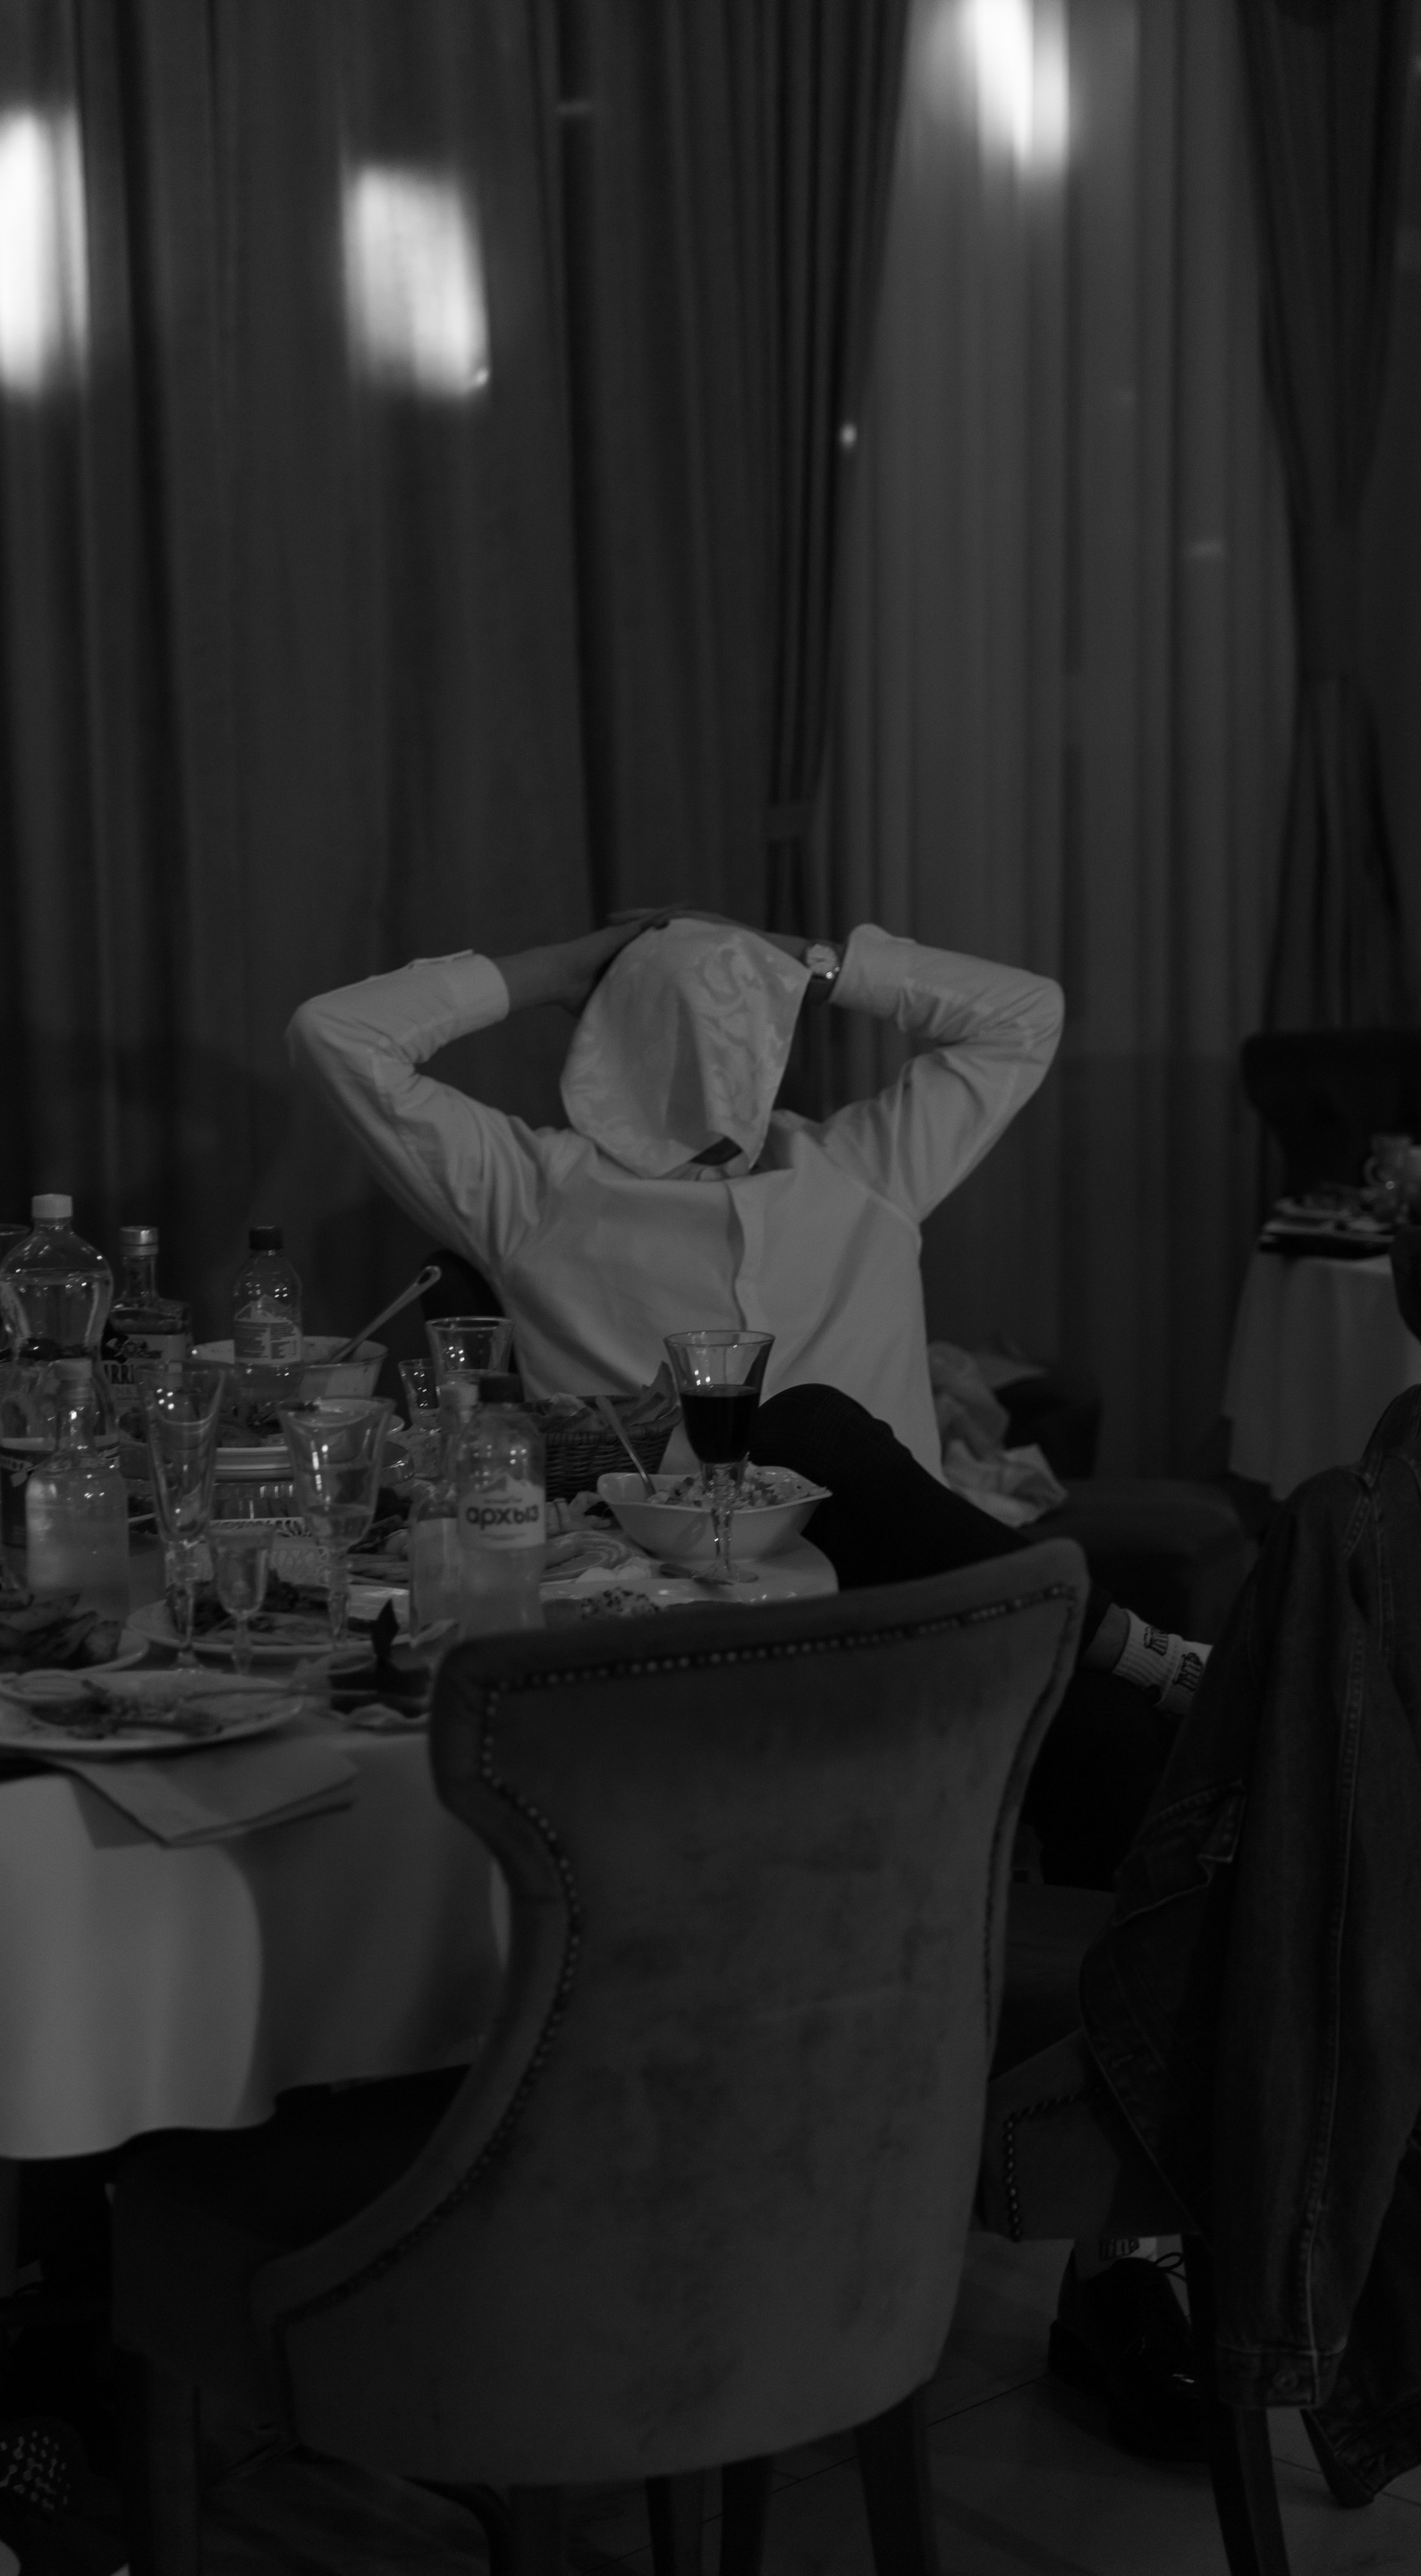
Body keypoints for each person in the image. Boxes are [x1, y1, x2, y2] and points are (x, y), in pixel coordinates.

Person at [292, 909, 1217, 2458]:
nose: (713, 1063)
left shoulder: (859, 1165)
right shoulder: (531, 1183)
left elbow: (1024, 1013)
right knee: (807, 1427)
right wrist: (557, 965)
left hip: (927, 1632)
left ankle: (1128, 2263)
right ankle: (1131, 1656)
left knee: (1157, 1790)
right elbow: (339, 1033)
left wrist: (828, 959)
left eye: (746, 1023)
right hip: (685, 1655)